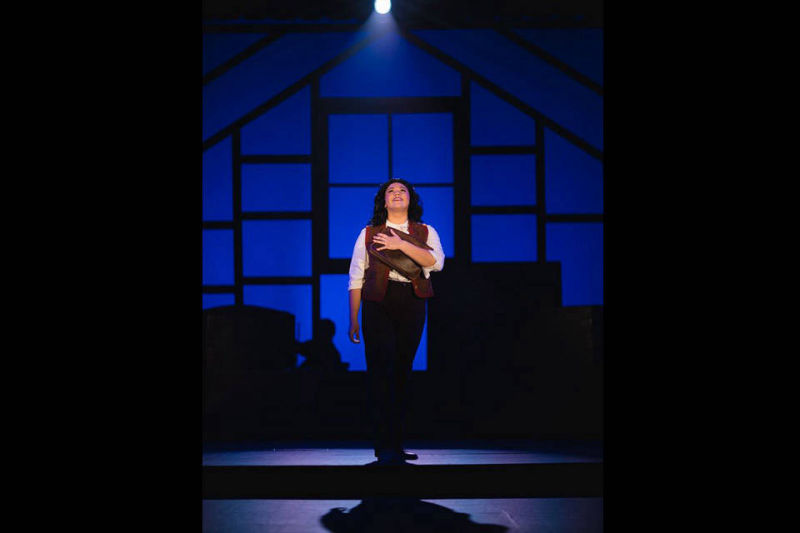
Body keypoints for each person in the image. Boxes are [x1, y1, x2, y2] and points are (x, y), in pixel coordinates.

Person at [347, 178, 445, 465]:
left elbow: (435, 262)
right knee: (381, 370)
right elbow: (356, 276)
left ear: (411, 199)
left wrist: (399, 243)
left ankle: (397, 444)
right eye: (391, 191)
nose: (397, 193)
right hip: (378, 301)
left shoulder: (426, 231)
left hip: (412, 301)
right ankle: (383, 445)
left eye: (403, 190)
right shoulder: (368, 233)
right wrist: (353, 318)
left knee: (402, 371)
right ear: (384, 200)